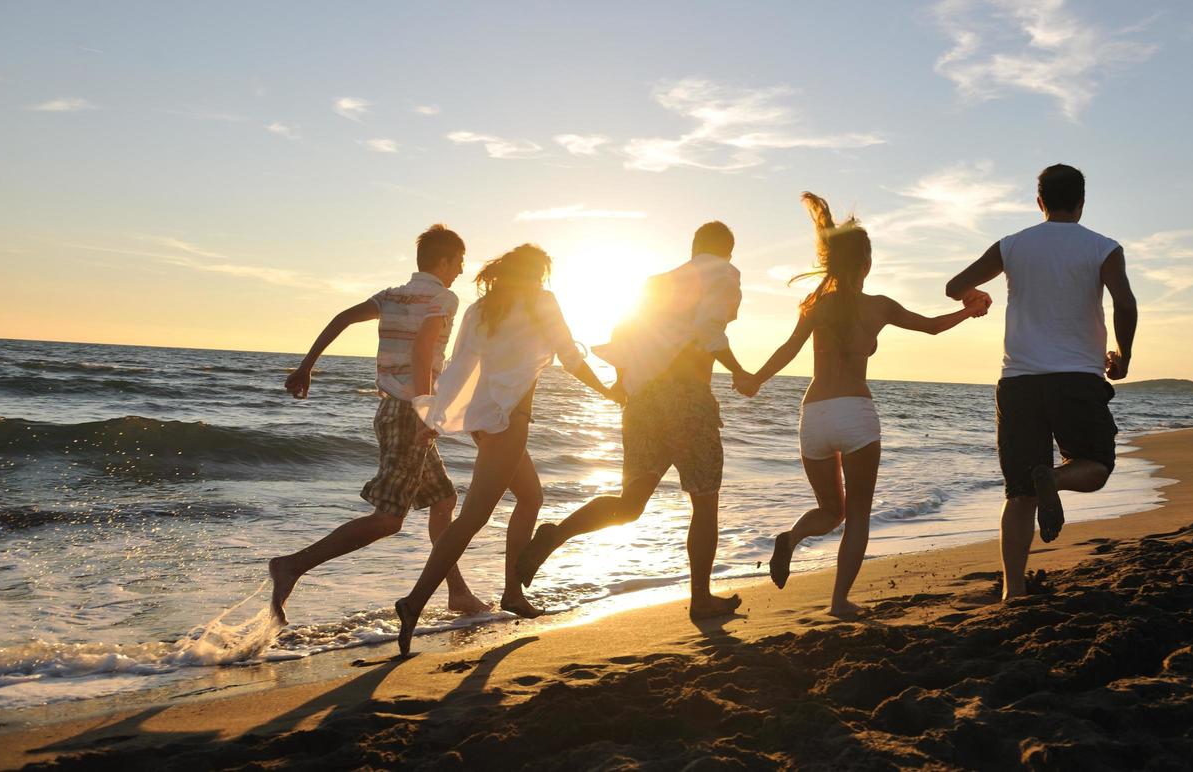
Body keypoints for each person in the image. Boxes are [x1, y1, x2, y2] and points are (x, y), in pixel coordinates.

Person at [738, 193, 990, 618]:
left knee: (828, 511)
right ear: (866, 264)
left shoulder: (816, 306)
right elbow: (931, 328)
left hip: (813, 415)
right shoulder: (879, 306)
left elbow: (787, 349)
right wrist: (970, 310)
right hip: (855, 414)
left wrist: (755, 380)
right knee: (855, 516)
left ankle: (793, 537)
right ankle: (838, 603)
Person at [514, 222, 751, 620]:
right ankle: (701, 599)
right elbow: (710, 329)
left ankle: (556, 535)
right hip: (688, 399)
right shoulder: (724, 273)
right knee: (704, 502)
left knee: (629, 504)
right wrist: (740, 371)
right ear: (728, 250)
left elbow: (625, 333)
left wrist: (622, 382)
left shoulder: (656, 282)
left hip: (643, 401)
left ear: (693, 246)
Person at [394, 244, 622, 653]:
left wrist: (440, 413)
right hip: (509, 420)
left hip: (487, 419)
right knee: (473, 518)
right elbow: (570, 358)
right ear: (536, 275)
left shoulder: (482, 310)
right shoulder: (541, 303)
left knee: (531, 497)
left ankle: (513, 594)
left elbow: (461, 366)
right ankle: (414, 602)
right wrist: (609, 392)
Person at [269, 224, 487, 623]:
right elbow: (424, 347)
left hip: (393, 410)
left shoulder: (390, 296)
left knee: (443, 501)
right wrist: (426, 409)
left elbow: (342, 318)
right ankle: (291, 566)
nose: (460, 269)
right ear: (442, 260)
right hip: (408, 412)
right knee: (388, 520)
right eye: (458, 261)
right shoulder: (443, 298)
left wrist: (306, 367)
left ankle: (458, 593)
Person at [944, 163, 1138, 600]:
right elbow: (1125, 305)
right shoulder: (1104, 248)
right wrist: (1124, 355)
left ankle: (1014, 591)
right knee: (1097, 466)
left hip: (1019, 382)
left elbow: (955, 285)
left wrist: (976, 298)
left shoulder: (1012, 245)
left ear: (1039, 203)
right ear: (1082, 203)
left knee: (1018, 493)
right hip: (1077, 379)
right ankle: (1054, 479)